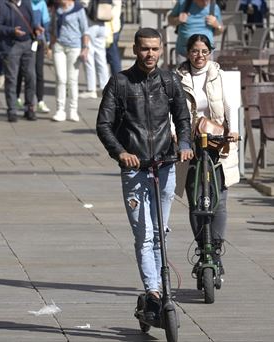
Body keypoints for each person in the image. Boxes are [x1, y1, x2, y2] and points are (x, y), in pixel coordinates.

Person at [96, 27, 194, 321]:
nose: (149, 54)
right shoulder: (120, 82)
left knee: (159, 231)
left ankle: (161, 287)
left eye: (154, 49)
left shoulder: (169, 81)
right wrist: (121, 153)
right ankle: (153, 290)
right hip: (135, 170)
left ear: (161, 49)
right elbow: (103, 125)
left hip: (165, 165)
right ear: (135, 50)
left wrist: (185, 144)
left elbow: (182, 116)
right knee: (144, 235)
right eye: (144, 49)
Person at [174, 34, 240, 275]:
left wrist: (232, 131)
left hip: (217, 143)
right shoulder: (177, 77)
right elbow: (174, 110)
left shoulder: (220, 76)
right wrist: (176, 135)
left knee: (219, 200)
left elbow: (231, 105)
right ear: (187, 52)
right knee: (195, 200)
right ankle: (203, 247)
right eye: (194, 51)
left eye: (204, 51)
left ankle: (216, 249)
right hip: (190, 144)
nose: (199, 56)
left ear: (211, 52)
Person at [0, 0, 43, 122]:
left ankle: (29, 108)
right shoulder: (2, 5)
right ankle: (12, 110)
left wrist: (36, 28)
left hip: (28, 44)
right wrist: (12, 31)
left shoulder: (26, 3)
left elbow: (32, 21)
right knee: (12, 79)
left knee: (31, 76)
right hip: (11, 46)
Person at [49, 0, 88, 122]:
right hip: (59, 46)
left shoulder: (78, 9)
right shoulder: (56, 8)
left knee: (72, 79)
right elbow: (52, 28)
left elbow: (85, 30)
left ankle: (73, 110)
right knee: (60, 78)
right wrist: (50, 45)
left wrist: (85, 48)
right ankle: (60, 110)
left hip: (74, 47)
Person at [15, 0, 50, 113]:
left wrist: (48, 42)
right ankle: (17, 98)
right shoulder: (24, 3)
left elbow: (46, 23)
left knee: (38, 72)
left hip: (38, 42)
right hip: (25, 41)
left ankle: (40, 100)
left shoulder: (42, 4)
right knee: (21, 72)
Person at [168, 0, 223, 65]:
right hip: (184, 53)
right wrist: (178, 19)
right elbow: (170, 19)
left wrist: (217, 25)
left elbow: (219, 31)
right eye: (202, 0)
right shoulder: (183, 3)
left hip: (205, 54)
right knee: (181, 74)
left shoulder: (214, 7)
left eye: (207, 0)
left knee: (206, 74)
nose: (205, 2)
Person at [79, 0, 114, 99]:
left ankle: (91, 89)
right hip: (102, 23)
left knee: (89, 57)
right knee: (101, 57)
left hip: (90, 22)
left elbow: (83, 2)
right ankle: (105, 87)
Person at [105, 0, 122, 75]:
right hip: (112, 27)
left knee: (112, 55)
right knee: (112, 56)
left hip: (110, 28)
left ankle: (117, 81)